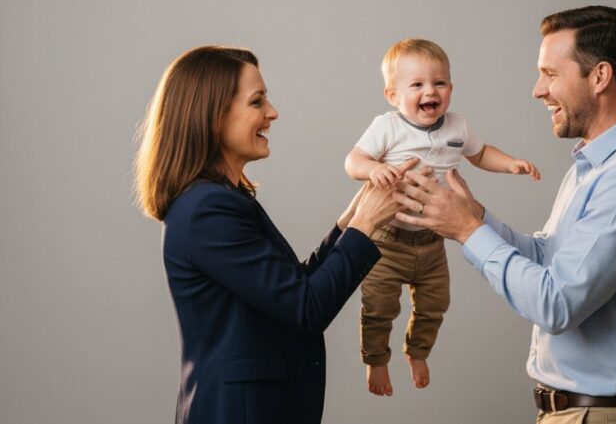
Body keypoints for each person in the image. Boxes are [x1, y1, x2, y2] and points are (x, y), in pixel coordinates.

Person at [394, 6, 616, 423]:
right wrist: (474, 215)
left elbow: (556, 304)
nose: (537, 90)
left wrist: (468, 230)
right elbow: (550, 260)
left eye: (551, 74)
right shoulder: (596, 167)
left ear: (600, 76)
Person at [133, 46, 418, 424]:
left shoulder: (225, 198)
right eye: (257, 101)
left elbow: (290, 287)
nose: (272, 112)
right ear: (213, 117)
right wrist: (365, 225)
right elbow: (306, 307)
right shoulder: (207, 210)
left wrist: (351, 220)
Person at [345, 38, 540, 396]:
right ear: (393, 95)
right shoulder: (387, 127)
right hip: (387, 241)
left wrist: (510, 163)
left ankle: (417, 351)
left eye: (439, 83)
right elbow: (352, 161)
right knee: (378, 306)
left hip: (432, 241)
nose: (429, 91)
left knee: (436, 302)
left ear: (451, 88)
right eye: (416, 85)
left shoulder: (457, 126)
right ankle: (375, 360)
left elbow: (480, 155)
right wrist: (373, 169)